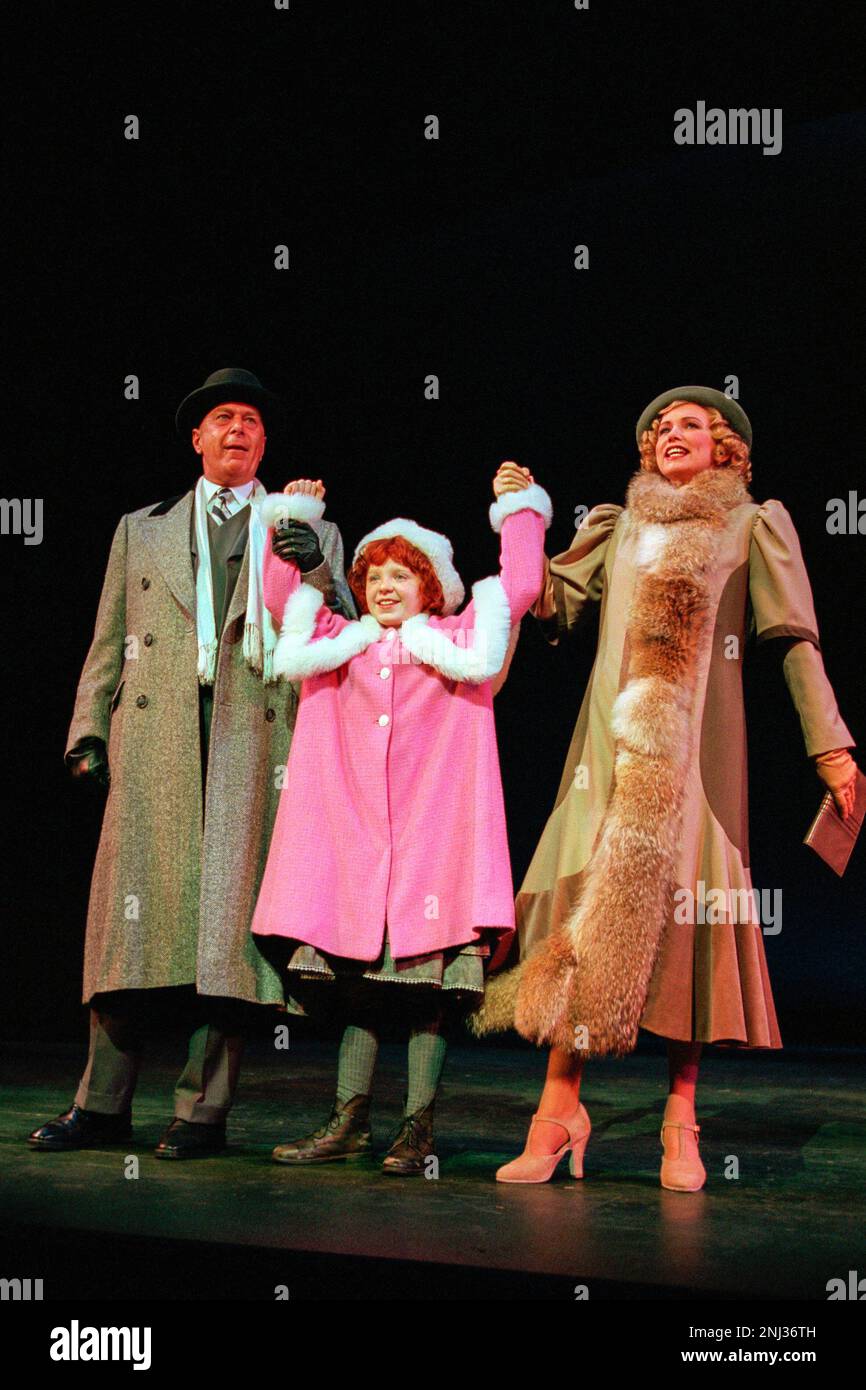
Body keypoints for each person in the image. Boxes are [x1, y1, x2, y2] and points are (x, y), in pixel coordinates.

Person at [473, 387, 858, 1191]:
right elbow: (546, 599)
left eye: (691, 426)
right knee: (582, 925)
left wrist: (831, 748)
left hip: (698, 766)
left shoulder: (755, 525)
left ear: (729, 451)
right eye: (659, 428)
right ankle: (557, 1111)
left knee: (686, 929)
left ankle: (679, 1121)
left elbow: (794, 643)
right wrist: (520, 516)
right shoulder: (617, 527)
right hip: (606, 760)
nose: (669, 435)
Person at [29, 367, 354, 1159]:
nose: (237, 429)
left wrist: (314, 566)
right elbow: (108, 640)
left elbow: (346, 630)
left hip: (254, 740)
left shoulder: (306, 525)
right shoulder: (141, 529)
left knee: (229, 945)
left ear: (265, 442)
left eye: (250, 419)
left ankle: (201, 1114)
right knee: (128, 937)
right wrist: (86, 733)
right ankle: (100, 1107)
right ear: (198, 439)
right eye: (222, 419)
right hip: (157, 741)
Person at [250, 464, 552, 1173]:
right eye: (373, 573)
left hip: (431, 855)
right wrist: (291, 517)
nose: (384, 585)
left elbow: (522, 588)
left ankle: (417, 1131)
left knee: (424, 994)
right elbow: (278, 596)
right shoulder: (337, 644)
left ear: (432, 589)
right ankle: (348, 1122)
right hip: (355, 856)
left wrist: (518, 510)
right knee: (357, 991)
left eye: (401, 575)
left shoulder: (461, 646)